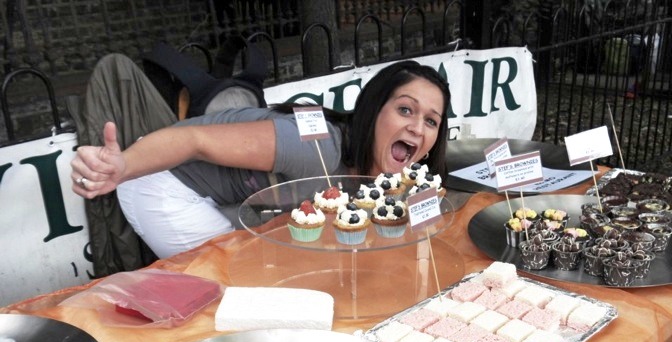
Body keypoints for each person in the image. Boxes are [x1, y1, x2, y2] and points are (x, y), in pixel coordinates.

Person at [71, 57, 451, 259]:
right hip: (161, 182)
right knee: (233, 278)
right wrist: (123, 167)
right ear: (372, 109)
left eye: (431, 121)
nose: (418, 127)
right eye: (405, 110)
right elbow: (195, 140)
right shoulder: (317, 146)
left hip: (217, 194)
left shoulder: (388, 176)